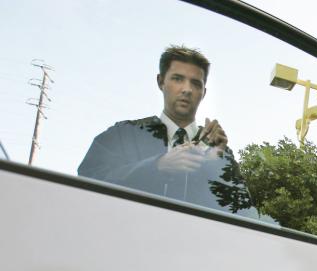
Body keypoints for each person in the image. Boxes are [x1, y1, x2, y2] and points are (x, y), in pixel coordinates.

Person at [78, 45, 253, 214]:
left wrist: (216, 163)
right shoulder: (124, 134)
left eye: (196, 83)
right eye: (177, 79)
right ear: (161, 82)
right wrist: (157, 166)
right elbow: (87, 180)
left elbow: (243, 210)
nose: (187, 89)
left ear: (203, 92)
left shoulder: (218, 150)